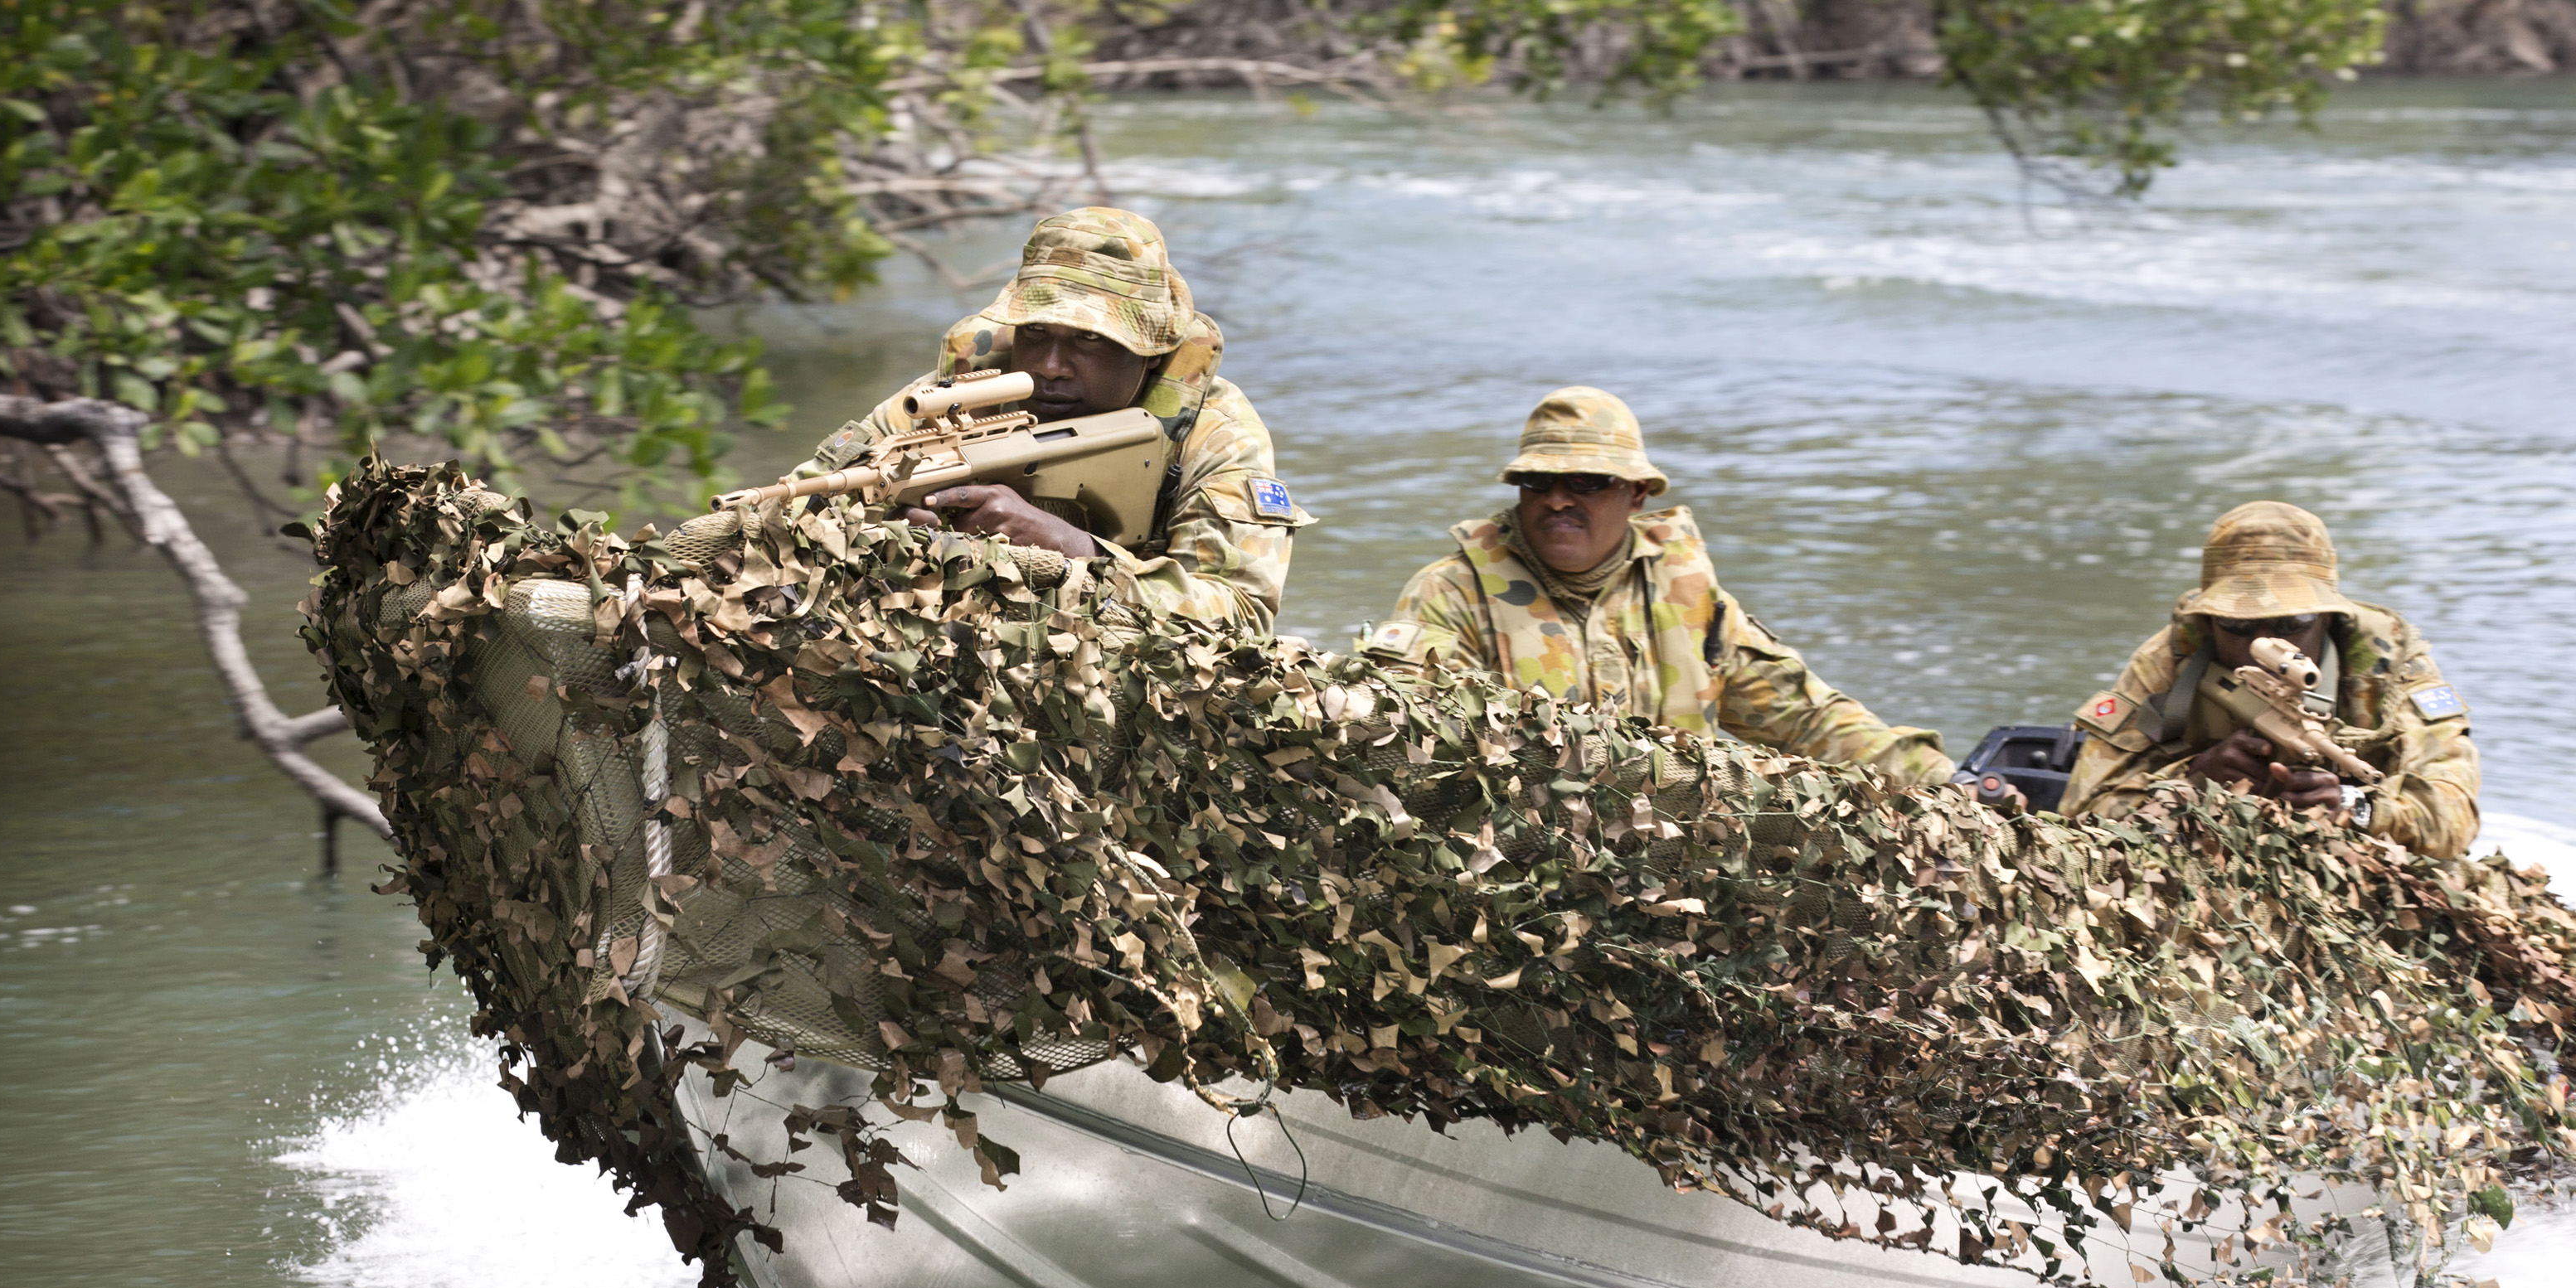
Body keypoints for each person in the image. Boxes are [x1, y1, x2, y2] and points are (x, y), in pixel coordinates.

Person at [1361, 387, 1952, 783]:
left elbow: (1805, 719)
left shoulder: (1688, 598)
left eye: (1587, 482)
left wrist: (1939, 777)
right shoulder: (1452, 594)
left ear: (1637, 493)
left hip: (1675, 877)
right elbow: (1415, 748)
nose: (1559, 500)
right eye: (1539, 484)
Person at [787, 206, 1306, 636]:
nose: (1049, 366)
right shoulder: (960, 395)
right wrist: (886, 530)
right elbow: (800, 501)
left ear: (1150, 351)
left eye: (1091, 340)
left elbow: (1240, 615)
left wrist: (1067, 548)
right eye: (1035, 331)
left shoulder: (1215, 436)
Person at [2058, 501, 2480, 858]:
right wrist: (2192, 782)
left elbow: (2453, 816)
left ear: (2328, 617)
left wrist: (2355, 808)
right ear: (2210, 620)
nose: (2264, 644)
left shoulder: (2386, 666)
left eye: (2293, 621)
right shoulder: (2173, 659)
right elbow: (2081, 812)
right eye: (2238, 625)